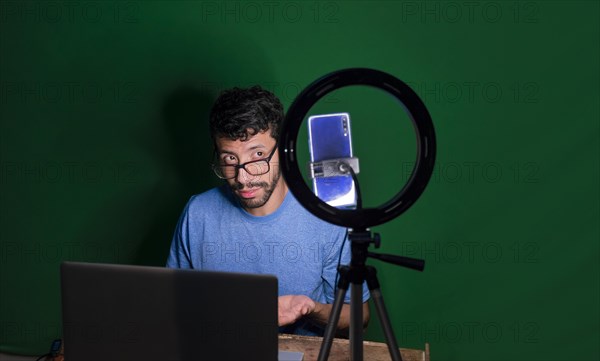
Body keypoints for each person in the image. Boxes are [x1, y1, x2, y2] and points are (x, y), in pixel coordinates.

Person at [166, 85, 369, 336]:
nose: (243, 178)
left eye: (258, 155)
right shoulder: (198, 213)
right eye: (230, 159)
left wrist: (310, 309)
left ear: (284, 149)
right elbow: (173, 304)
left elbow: (359, 315)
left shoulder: (325, 217)